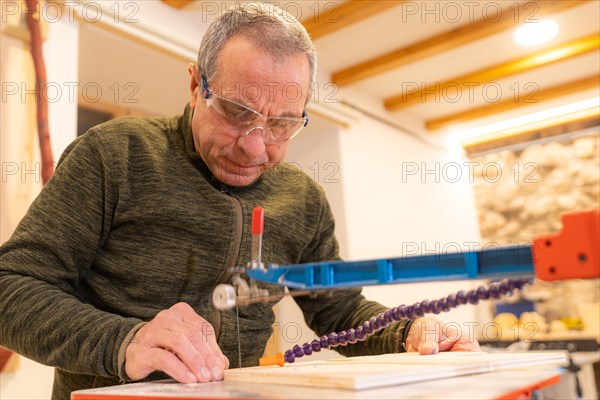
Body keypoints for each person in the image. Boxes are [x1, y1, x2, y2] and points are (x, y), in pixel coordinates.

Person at [0, 3, 479, 399]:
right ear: (194, 86)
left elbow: (339, 312)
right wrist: (123, 341)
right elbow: (11, 289)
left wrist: (406, 331)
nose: (255, 146)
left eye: (282, 124)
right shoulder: (114, 155)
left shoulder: (304, 200)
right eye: (236, 112)